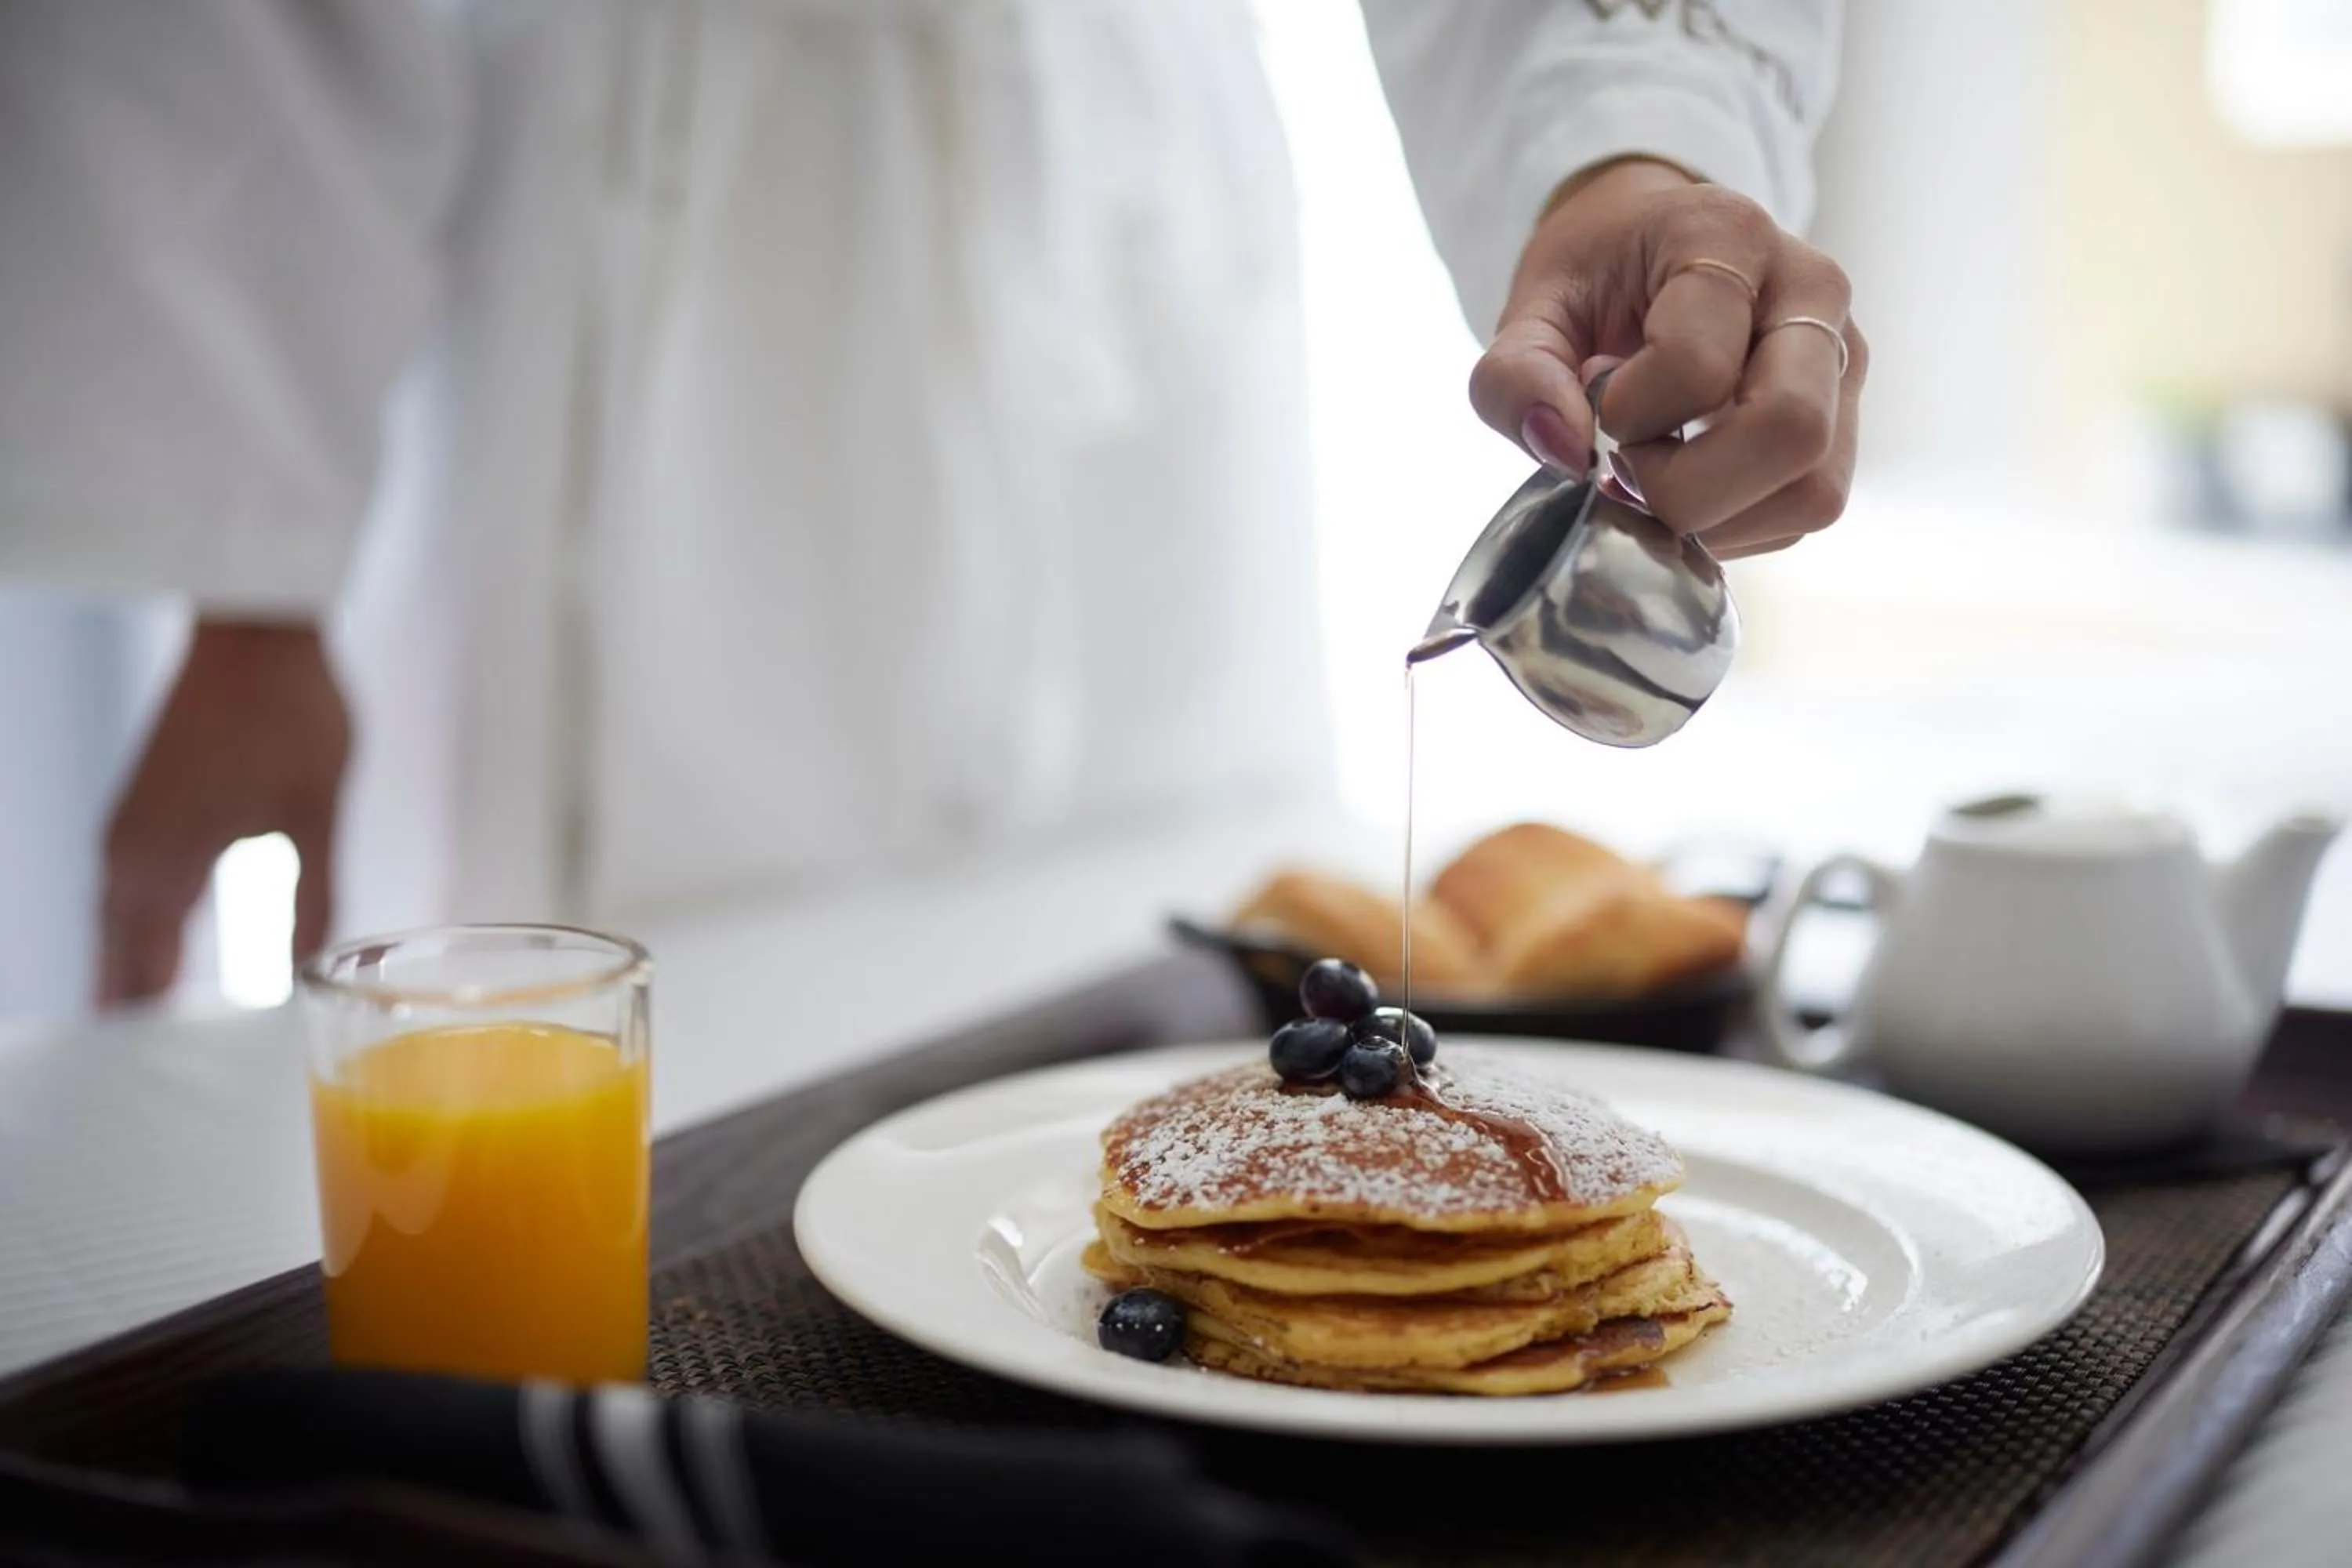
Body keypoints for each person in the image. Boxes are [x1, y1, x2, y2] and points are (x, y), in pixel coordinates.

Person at [0, 1, 1862, 1007]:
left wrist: (1631, 122)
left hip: (1129, 217)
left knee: (1159, 999)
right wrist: (254, 578)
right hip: (674, 237)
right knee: (654, 1046)